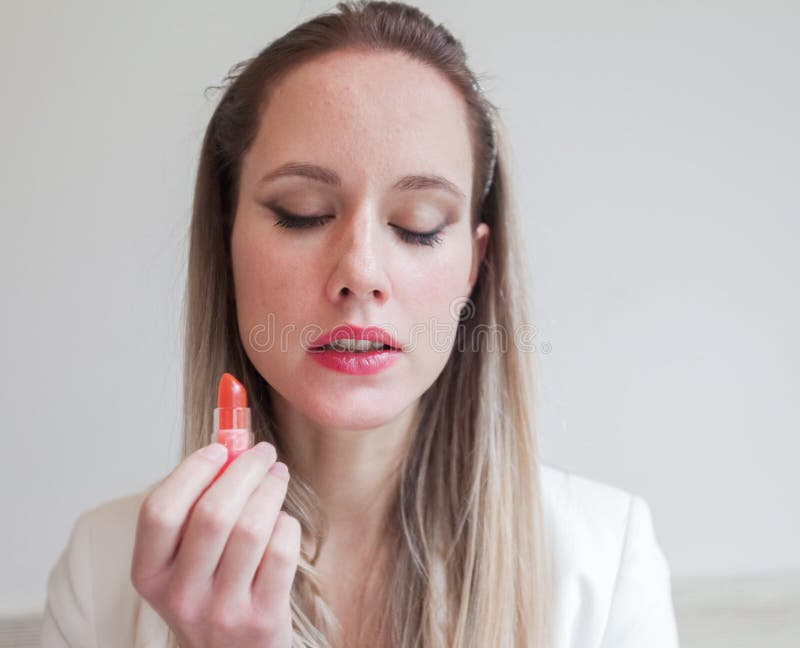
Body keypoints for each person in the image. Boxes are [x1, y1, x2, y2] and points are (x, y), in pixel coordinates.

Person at [41, 2, 681, 647]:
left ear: (473, 267)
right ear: (225, 239)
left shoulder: (604, 565)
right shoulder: (103, 571)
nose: (362, 271)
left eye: (419, 225)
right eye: (303, 212)